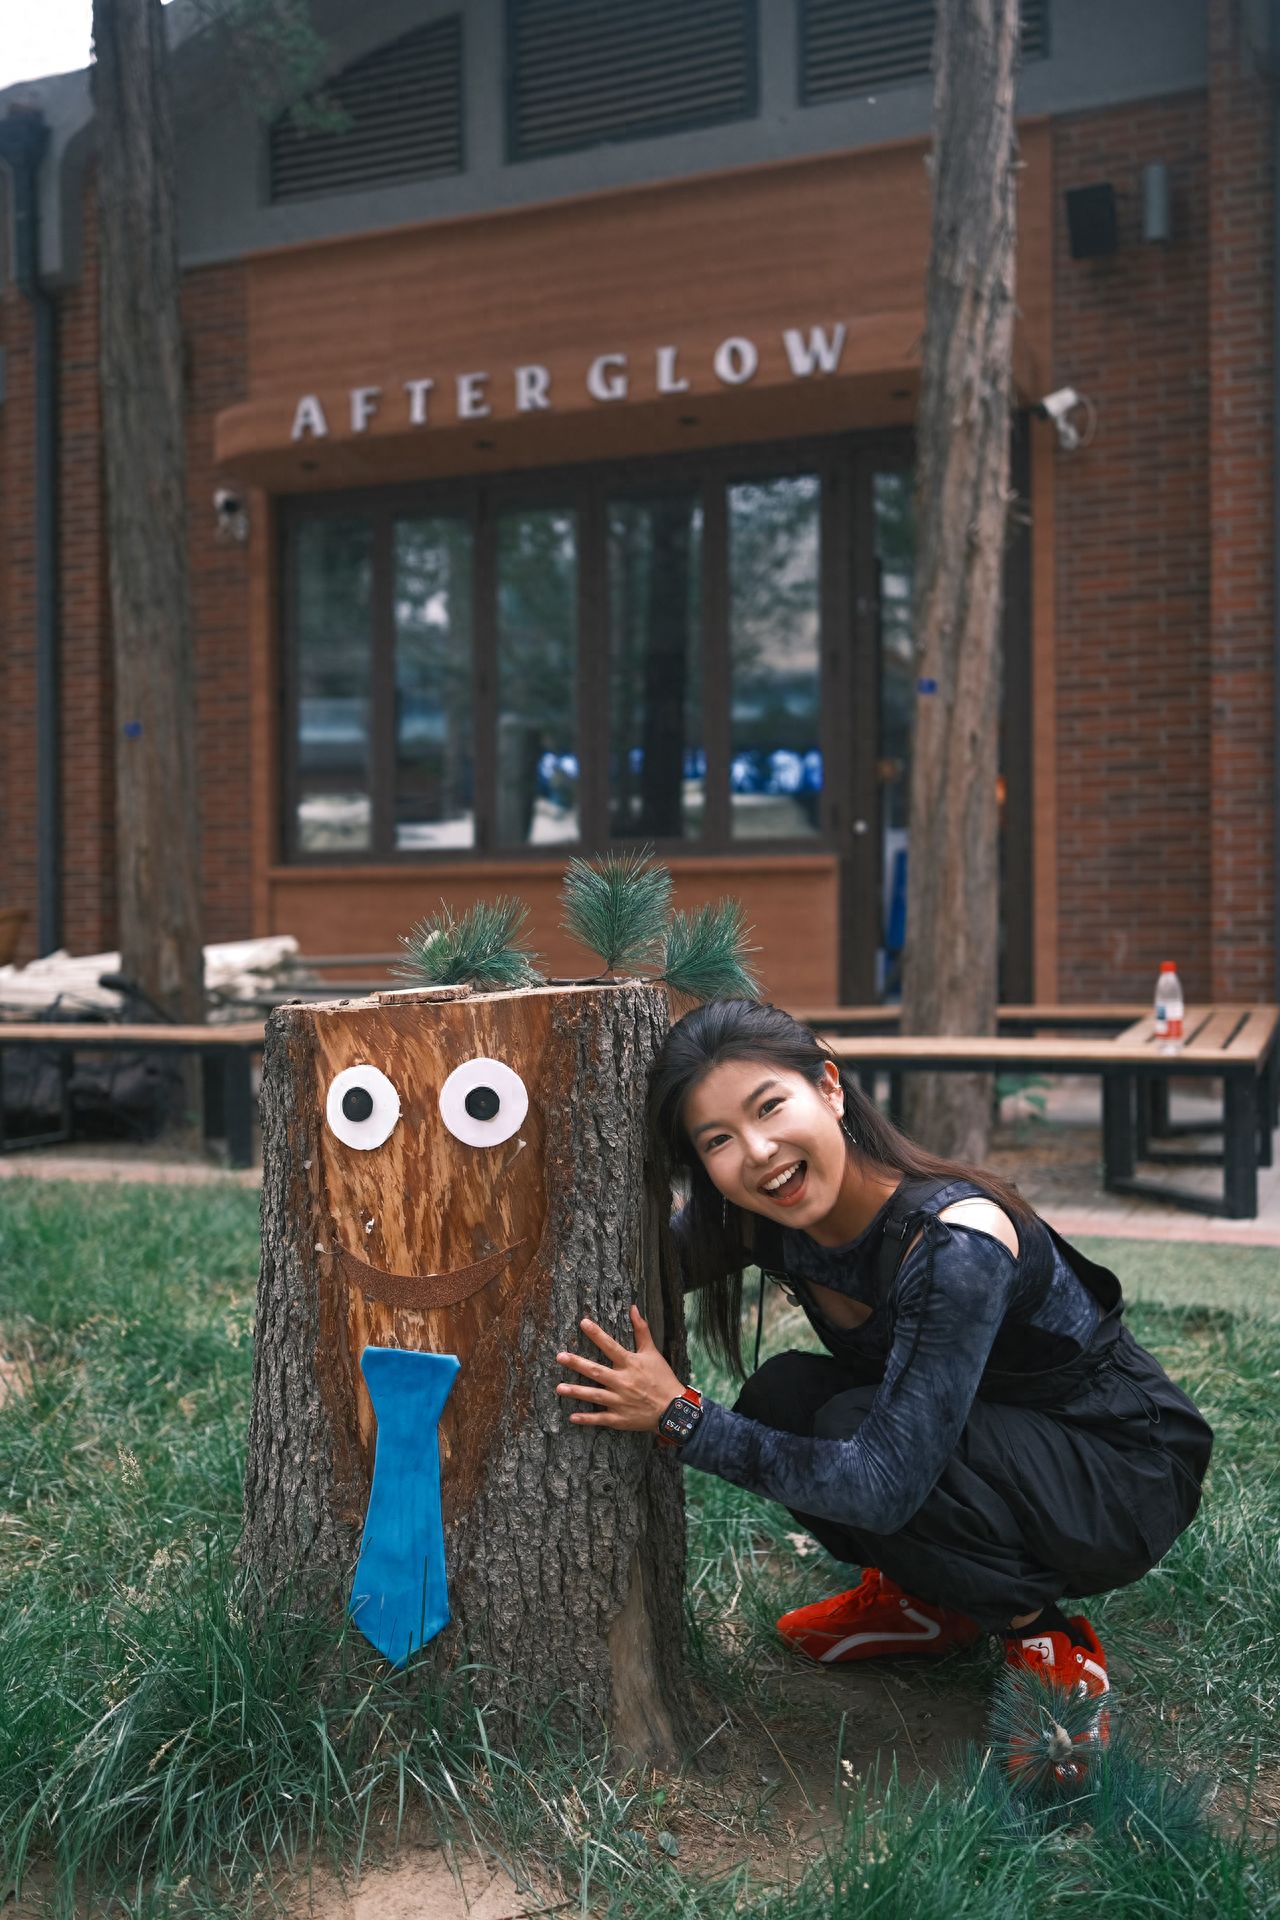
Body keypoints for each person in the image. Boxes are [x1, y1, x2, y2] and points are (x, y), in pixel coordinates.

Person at [555, 999, 1212, 1762]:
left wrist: (681, 1417)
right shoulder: (764, 1213)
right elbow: (620, 1272)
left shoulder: (955, 1242)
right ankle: (933, 1603)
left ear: (829, 1089)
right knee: (785, 1398)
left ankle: (1046, 1640)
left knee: (849, 1437)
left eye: (770, 1107)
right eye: (718, 1141)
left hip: (1120, 1468)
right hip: (997, 1438)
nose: (759, 1150)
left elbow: (883, 1487)